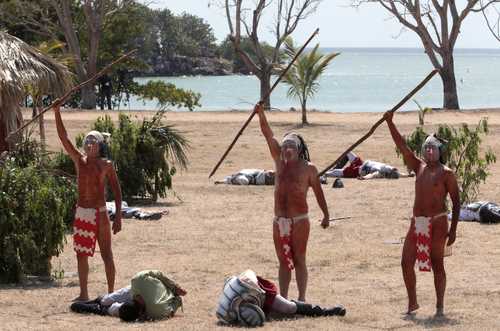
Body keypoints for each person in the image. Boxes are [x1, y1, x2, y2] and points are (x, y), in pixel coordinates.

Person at [384, 111, 460, 316]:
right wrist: (390, 123)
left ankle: (440, 306)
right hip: (418, 222)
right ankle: (412, 302)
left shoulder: (447, 173)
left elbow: (456, 201)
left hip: (438, 222)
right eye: (427, 148)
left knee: (437, 264)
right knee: (406, 261)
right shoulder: (418, 166)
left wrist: (453, 231)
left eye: (433, 148)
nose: (429, 151)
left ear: (440, 151)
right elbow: (402, 146)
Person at [255, 103, 330, 302]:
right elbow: (268, 134)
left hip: (300, 220)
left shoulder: (309, 169)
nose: (288, 148)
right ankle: (285, 298)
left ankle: (302, 298)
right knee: (283, 261)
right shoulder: (278, 161)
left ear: (299, 150)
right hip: (279, 221)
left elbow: (319, 194)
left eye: (292, 146)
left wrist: (326, 215)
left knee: (299, 259)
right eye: (285, 145)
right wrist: (261, 114)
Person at [54, 104, 122, 301]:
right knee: (81, 254)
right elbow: (64, 138)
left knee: (107, 254)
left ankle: (111, 294)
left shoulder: (106, 165)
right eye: (87, 140)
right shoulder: (79, 160)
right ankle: (83, 294)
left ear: (100, 146)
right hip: (83, 212)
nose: (89, 143)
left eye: (93, 141)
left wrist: (118, 217)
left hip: (99, 213)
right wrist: (57, 112)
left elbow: (117, 191)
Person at [216, 269, 345, 327]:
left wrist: (257, 289)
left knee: (289, 308)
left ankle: (325, 311)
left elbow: (248, 273)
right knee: (283, 311)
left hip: (260, 291)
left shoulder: (246, 286)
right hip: (255, 295)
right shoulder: (227, 315)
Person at [70, 270, 186, 322]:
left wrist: (175, 289)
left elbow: (157, 274)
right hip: (136, 291)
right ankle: (100, 305)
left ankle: (101, 308)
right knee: (106, 301)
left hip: (139, 295)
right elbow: (175, 305)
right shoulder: (138, 282)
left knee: (109, 305)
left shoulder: (156, 309)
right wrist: (174, 288)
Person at [325, 151, 403, 179]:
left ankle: (323, 174)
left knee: (335, 172)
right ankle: (335, 168)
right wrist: (408, 175)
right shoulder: (388, 168)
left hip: (356, 171)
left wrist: (364, 178)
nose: (392, 169)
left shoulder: (380, 172)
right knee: (348, 152)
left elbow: (372, 175)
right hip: (361, 163)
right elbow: (398, 173)